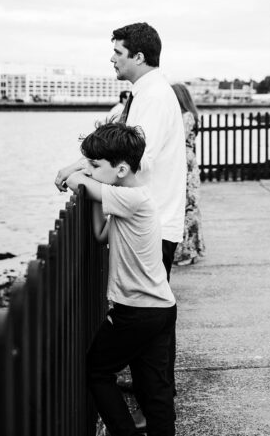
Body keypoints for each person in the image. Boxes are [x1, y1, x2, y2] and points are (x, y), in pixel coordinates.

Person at [64, 122, 176, 436]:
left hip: (137, 312)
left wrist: (75, 174)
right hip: (159, 309)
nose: (89, 170)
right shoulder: (127, 197)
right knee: (153, 388)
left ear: (122, 168)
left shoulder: (135, 199)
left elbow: (72, 180)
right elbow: (101, 234)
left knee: (97, 371)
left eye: (95, 165)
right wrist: (95, 185)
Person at [56, 22, 186, 278]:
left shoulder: (154, 97)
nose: (112, 58)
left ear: (138, 57)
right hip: (147, 221)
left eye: (118, 52)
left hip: (152, 223)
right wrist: (78, 166)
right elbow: (120, 151)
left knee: (148, 305)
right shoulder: (147, 92)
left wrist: (79, 171)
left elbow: (135, 158)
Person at [171, 83, 205, 266]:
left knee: (188, 206)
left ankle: (188, 251)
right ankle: (189, 250)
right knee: (185, 206)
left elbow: (178, 139)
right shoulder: (186, 115)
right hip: (185, 161)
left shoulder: (186, 116)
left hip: (185, 163)